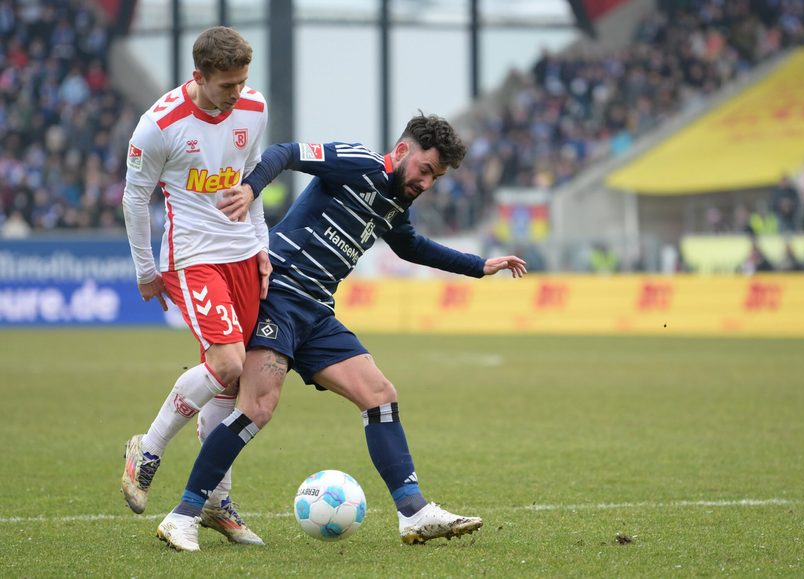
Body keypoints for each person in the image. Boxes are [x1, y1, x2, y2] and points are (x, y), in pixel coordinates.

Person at [154, 113, 527, 551]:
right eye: (426, 170)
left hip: (316, 313)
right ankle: (183, 514)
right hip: (278, 295)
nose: (427, 183)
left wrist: (479, 266)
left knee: (380, 395)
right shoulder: (357, 163)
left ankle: (413, 512)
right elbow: (286, 153)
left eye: (436, 178)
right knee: (259, 407)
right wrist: (253, 186)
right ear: (404, 150)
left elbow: (410, 246)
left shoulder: (394, 204)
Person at [120, 26, 270, 545]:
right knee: (227, 363)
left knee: (231, 381)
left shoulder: (253, 107)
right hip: (193, 257)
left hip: (243, 256)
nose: (237, 94)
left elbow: (253, 181)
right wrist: (146, 270)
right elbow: (134, 199)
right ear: (198, 76)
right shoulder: (159, 125)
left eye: (243, 82)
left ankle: (215, 502)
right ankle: (150, 446)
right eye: (227, 85)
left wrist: (263, 246)